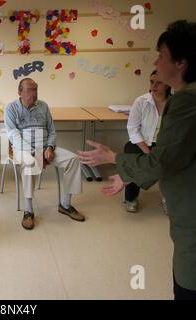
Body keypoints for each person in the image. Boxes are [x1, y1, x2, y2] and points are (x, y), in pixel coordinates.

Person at [77, 20, 196, 300]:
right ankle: (132, 195)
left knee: (187, 282)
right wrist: (130, 169)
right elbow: (168, 154)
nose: (156, 62)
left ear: (180, 62)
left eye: (161, 55)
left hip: (191, 219)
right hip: (155, 161)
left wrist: (113, 158)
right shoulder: (177, 98)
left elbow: (163, 161)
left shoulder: (185, 101)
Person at [4, 78, 85, 230]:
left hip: (45, 148)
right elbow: (14, 136)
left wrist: (50, 148)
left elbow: (52, 130)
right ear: (20, 92)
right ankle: (28, 211)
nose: (34, 93)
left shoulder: (43, 106)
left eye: (36, 89)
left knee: (73, 159)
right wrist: (35, 153)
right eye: (30, 90)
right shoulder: (11, 108)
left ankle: (65, 205)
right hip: (24, 150)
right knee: (29, 162)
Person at [123, 70, 171, 213]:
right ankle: (131, 198)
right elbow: (132, 129)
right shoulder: (142, 101)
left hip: (163, 144)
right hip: (142, 142)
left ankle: (168, 198)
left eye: (159, 82)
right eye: (151, 82)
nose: (154, 86)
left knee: (175, 162)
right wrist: (146, 150)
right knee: (135, 160)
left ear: (168, 84)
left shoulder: (175, 103)